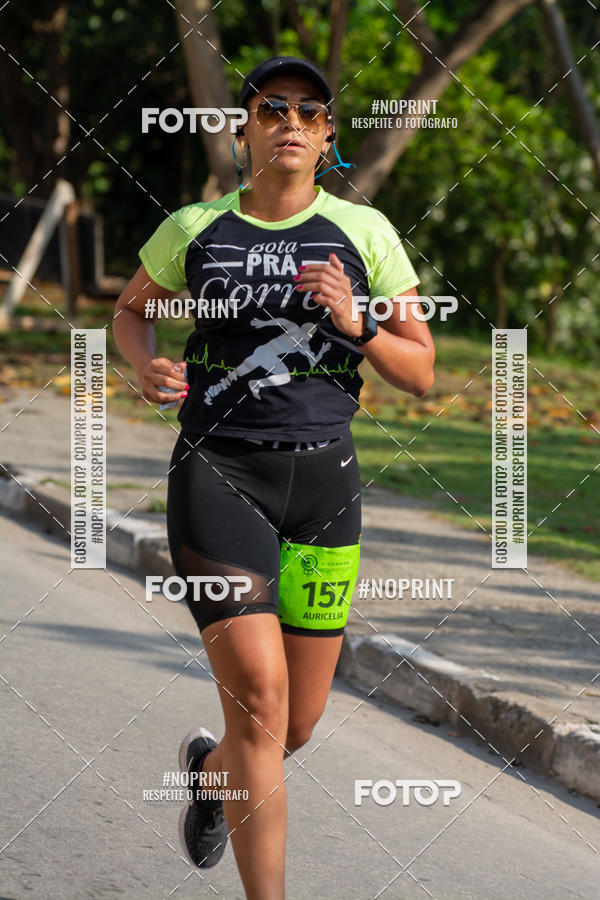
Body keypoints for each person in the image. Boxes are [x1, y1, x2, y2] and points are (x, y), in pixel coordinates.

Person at [113, 55, 434, 900]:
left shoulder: (365, 235)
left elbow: (422, 372)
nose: (291, 121)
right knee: (259, 700)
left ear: (327, 135)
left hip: (326, 489)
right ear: (246, 126)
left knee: (295, 724)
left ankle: (214, 778)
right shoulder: (196, 227)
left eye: (309, 111)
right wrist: (142, 368)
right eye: (272, 107)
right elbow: (130, 310)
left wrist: (355, 321)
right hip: (219, 474)